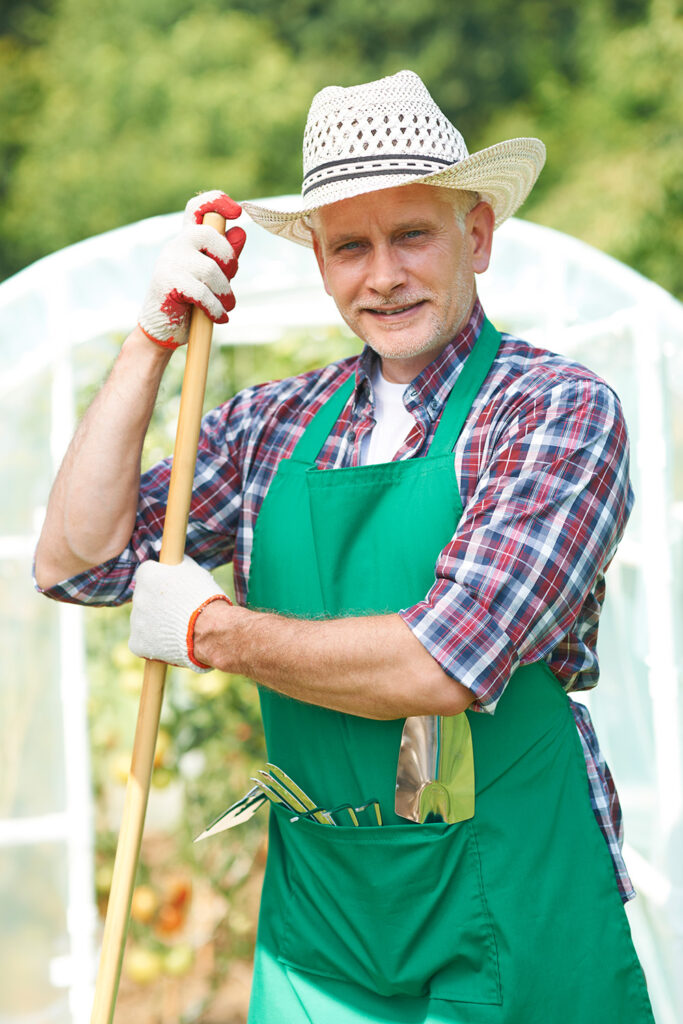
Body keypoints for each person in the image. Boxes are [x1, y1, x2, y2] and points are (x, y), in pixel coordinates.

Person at [35, 70, 655, 1022]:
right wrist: (150, 340)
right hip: (322, 925)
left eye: (412, 235)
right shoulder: (269, 425)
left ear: (476, 235)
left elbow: (442, 662)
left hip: (511, 900)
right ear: (321, 263)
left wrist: (210, 631)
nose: (383, 276)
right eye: (350, 247)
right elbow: (75, 562)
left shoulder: (552, 412)